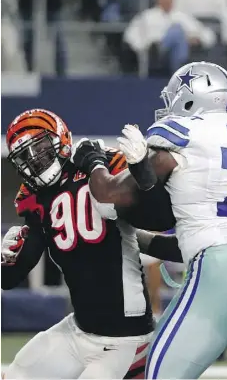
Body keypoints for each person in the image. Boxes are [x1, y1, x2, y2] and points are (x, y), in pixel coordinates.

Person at [70, 61, 227, 380]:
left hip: (218, 274)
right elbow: (207, 235)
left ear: (192, 98)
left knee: (159, 374)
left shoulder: (185, 133)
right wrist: (142, 240)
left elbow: (112, 194)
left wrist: (92, 162)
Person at [1, 109, 181, 379]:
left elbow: (157, 217)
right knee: (16, 374)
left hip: (126, 338)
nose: (34, 161)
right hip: (79, 330)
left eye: (38, 148)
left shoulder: (101, 163)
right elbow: (10, 279)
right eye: (24, 156)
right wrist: (6, 257)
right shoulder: (35, 196)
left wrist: (139, 173)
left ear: (60, 138)